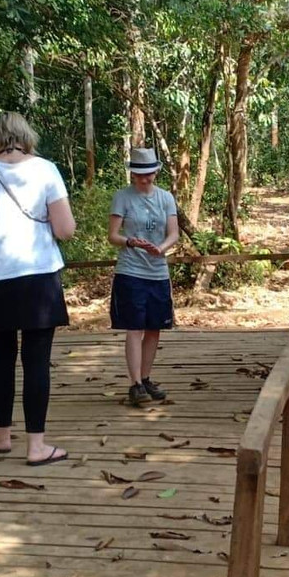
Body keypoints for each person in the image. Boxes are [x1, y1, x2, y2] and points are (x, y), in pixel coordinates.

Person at [0, 112, 76, 464]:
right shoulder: (46, 169)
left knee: (1, 358)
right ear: (26, 134)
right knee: (37, 361)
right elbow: (66, 229)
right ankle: (37, 446)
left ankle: (1, 436)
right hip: (39, 276)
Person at [108, 147, 180, 406]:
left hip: (157, 271)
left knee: (154, 327)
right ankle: (135, 383)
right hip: (131, 270)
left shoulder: (165, 198)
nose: (144, 179)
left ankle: (147, 377)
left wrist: (161, 248)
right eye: (139, 175)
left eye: (149, 174)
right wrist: (131, 242)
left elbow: (174, 232)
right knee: (134, 326)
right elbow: (113, 235)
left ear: (156, 172)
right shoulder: (122, 197)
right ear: (132, 174)